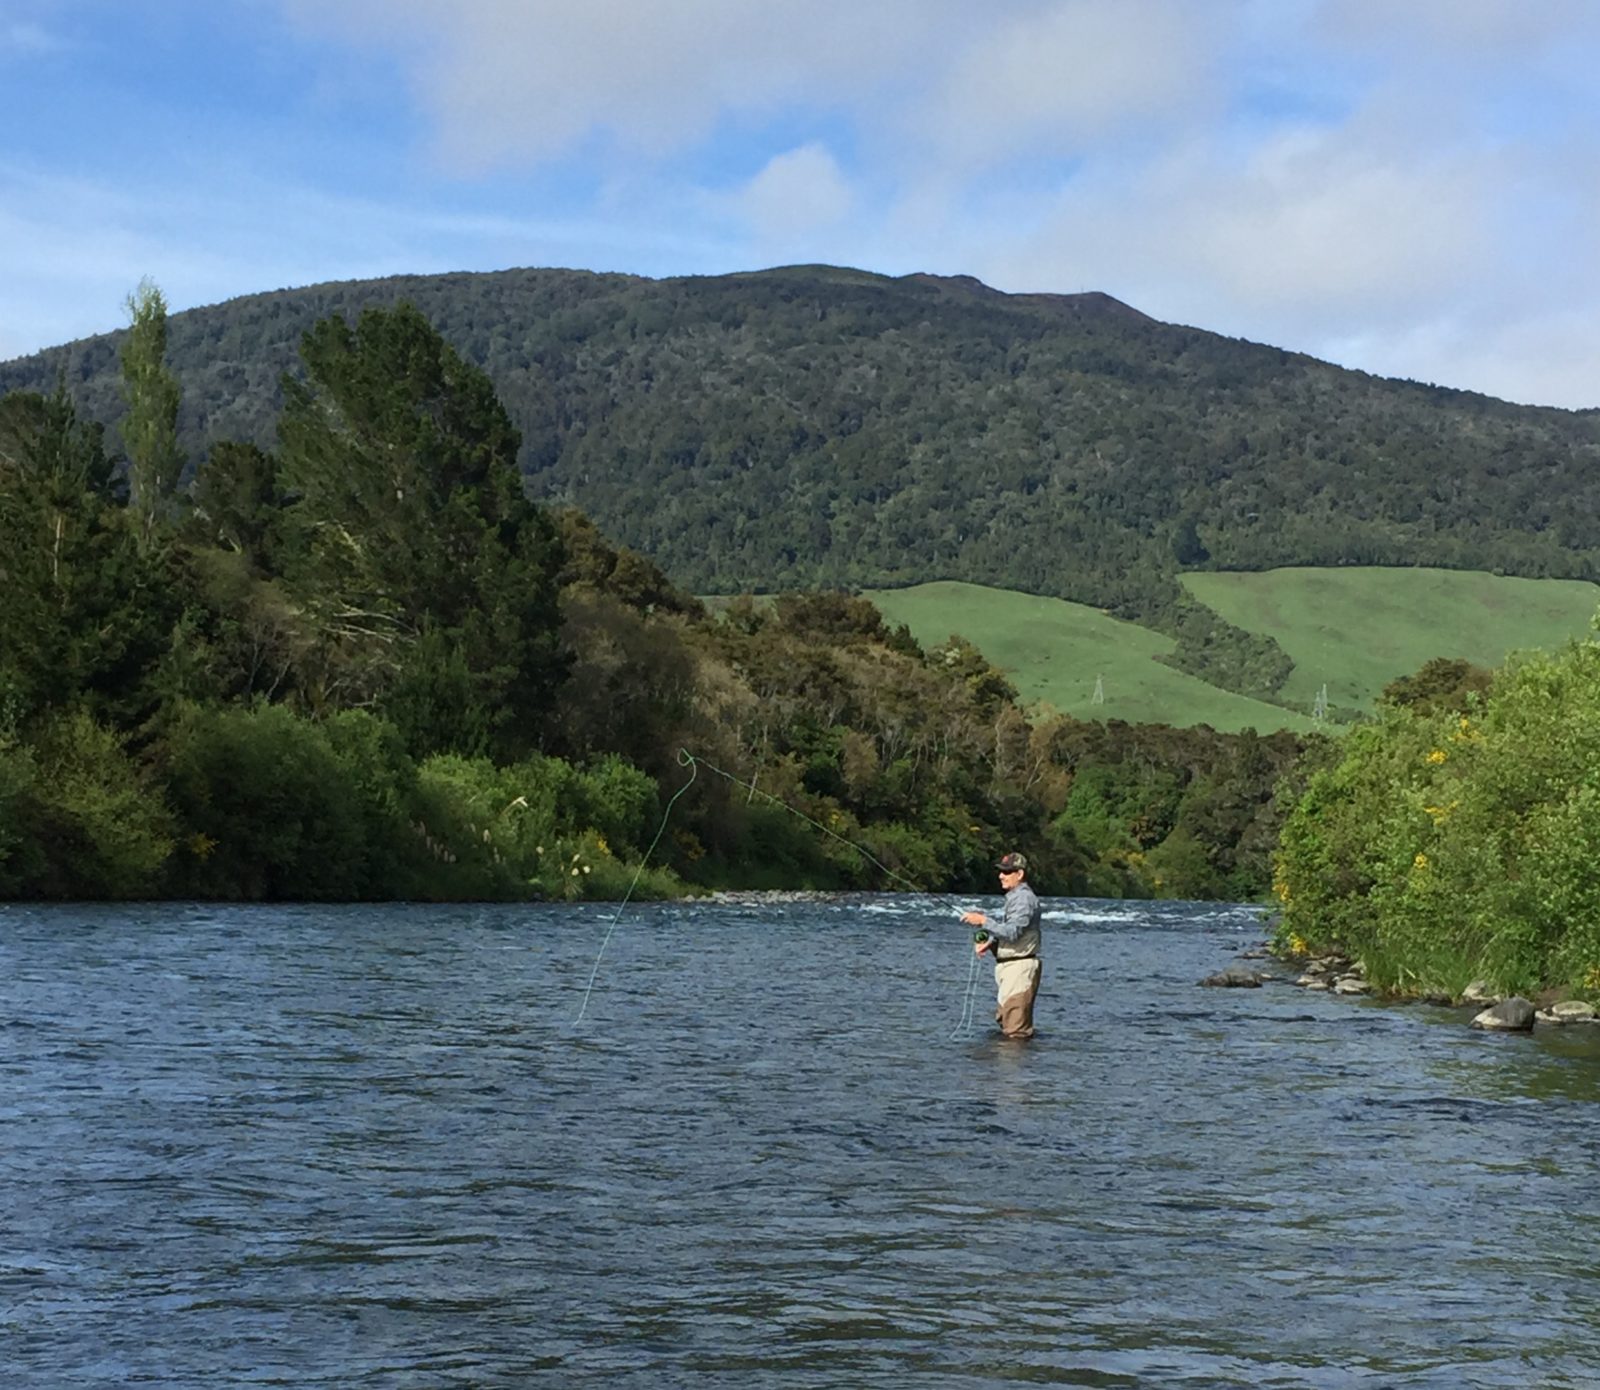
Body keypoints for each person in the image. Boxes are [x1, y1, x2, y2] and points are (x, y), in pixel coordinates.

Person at [961, 852, 1042, 1039]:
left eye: (1006, 872)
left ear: (1019, 874)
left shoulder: (1023, 899)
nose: (1001, 876)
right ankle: (1009, 1066)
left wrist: (983, 921)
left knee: (1015, 1031)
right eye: (1001, 872)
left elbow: (1013, 932)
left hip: (1019, 969)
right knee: (1007, 1021)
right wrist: (990, 945)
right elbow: (1013, 932)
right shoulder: (1015, 898)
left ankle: (1014, 1067)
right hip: (1011, 968)